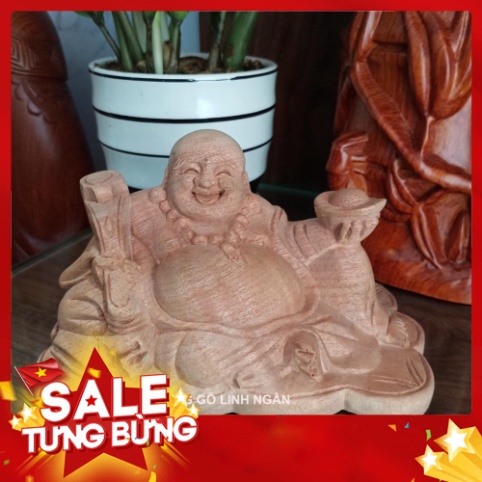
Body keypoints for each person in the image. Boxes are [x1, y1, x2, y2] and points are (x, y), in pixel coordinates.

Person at [40, 130, 433, 414]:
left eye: (223, 171)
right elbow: (105, 270)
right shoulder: (140, 214)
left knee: (350, 289)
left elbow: (292, 242)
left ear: (244, 180)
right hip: (202, 335)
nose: (206, 182)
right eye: (191, 171)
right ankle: (285, 360)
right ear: (167, 177)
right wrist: (122, 286)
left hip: (294, 315)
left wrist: (336, 228)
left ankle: (351, 334)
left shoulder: (257, 210)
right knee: (198, 361)